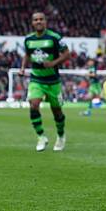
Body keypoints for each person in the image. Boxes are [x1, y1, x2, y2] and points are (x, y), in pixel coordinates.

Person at [19, 12, 70, 151]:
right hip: (37, 79)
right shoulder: (28, 39)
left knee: (57, 111)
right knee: (33, 104)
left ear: (45, 21)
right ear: (32, 23)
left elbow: (67, 54)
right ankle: (41, 136)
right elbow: (27, 55)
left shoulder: (55, 37)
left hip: (53, 81)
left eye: (41, 19)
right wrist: (23, 68)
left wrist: (54, 62)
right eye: (36, 20)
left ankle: (60, 136)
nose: (38, 21)